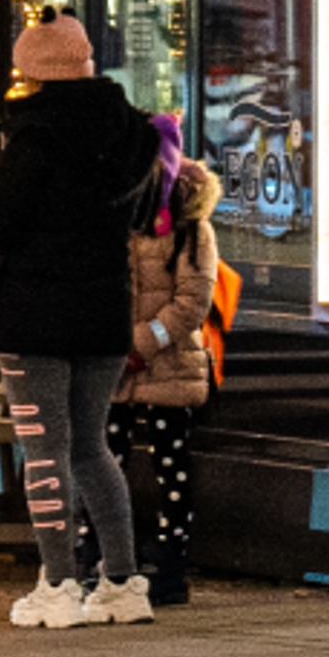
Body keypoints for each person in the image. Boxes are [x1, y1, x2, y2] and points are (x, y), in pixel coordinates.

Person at [0, 8, 162, 629]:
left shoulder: (35, 138)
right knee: (91, 448)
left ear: (37, 76)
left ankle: (58, 583)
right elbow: (141, 216)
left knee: (45, 452)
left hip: (34, 318)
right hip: (103, 313)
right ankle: (121, 580)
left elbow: (0, 223)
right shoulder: (131, 135)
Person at [110, 109, 224, 608]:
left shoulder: (190, 229)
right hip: (117, 364)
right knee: (105, 457)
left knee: (170, 462)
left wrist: (144, 341)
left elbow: (193, 301)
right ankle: (105, 550)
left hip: (169, 363)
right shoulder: (117, 219)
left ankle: (171, 561)